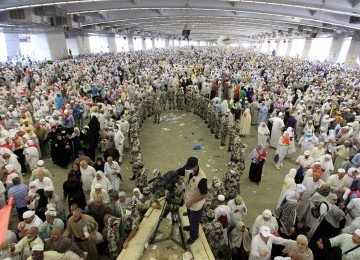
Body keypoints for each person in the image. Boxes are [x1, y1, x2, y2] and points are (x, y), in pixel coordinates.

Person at [177, 156, 208, 245]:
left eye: (189, 168)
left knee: (195, 220)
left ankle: (194, 236)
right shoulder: (189, 169)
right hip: (188, 200)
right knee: (190, 217)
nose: (187, 169)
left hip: (196, 204)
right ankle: (191, 227)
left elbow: (204, 194)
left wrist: (192, 201)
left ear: (195, 167)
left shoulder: (202, 179)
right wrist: (174, 174)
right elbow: (181, 170)